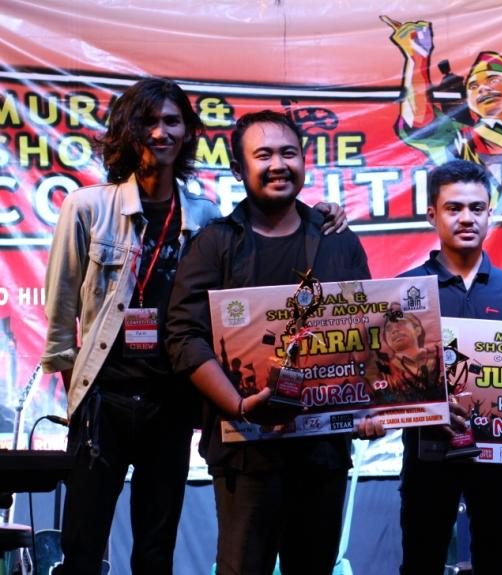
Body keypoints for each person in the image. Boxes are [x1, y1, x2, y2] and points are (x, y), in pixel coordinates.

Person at [40, 78, 340, 574]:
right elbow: (59, 319)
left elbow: (216, 311)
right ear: (127, 130)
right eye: (148, 121)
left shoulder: (204, 215)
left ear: (187, 132)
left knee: (156, 550)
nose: (161, 132)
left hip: (172, 403)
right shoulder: (86, 207)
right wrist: (81, 397)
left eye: (172, 121)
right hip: (104, 401)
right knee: (83, 546)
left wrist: (322, 212)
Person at [165, 110, 375, 575]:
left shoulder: (338, 240)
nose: (278, 164)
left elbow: (368, 333)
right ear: (238, 169)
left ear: (304, 161)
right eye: (263, 155)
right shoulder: (214, 244)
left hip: (323, 450)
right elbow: (183, 337)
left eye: (288, 153)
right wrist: (240, 406)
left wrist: (372, 407)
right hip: (245, 451)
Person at [397, 159, 502, 575]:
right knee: (421, 562)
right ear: (432, 215)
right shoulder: (405, 289)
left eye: (476, 208)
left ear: (490, 213)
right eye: (453, 208)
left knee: (497, 562)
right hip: (427, 454)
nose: (466, 218)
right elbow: (392, 376)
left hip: (499, 457)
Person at [384, 16, 502, 205]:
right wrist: (417, 58)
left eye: (493, 79)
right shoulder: (461, 138)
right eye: (473, 86)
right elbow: (420, 124)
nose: (483, 89)